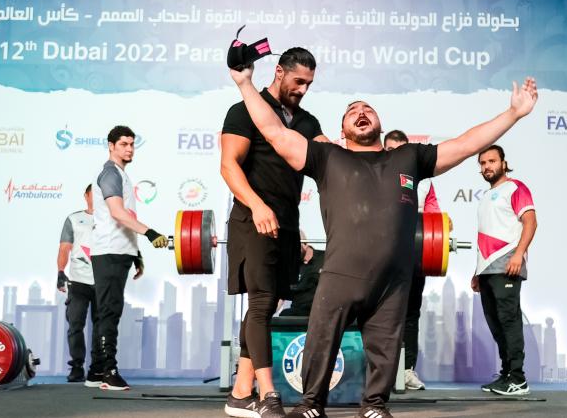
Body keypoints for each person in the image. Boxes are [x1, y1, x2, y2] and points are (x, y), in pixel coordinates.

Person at [228, 63, 537, 418]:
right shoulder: (327, 156)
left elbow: (466, 144)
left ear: (380, 124)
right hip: (341, 277)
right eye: (351, 112)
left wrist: (513, 113)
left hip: (392, 284)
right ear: (341, 132)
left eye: (367, 109)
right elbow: (274, 131)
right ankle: (312, 403)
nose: (360, 113)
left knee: (385, 356)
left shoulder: (408, 157)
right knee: (320, 345)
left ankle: (374, 405)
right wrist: (245, 83)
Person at [221, 48, 329, 418]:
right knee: (261, 304)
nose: (302, 89)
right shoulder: (244, 110)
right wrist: (256, 205)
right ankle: (268, 394)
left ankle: (239, 394)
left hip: (287, 226)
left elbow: (330, 157)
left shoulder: (308, 122)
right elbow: (228, 166)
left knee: (266, 309)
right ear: (279, 71)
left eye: (309, 84)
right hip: (253, 220)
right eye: (298, 81)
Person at [90, 125, 168, 391]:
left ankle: (98, 373)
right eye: (124, 144)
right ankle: (108, 372)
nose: (129, 149)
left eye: (132, 144)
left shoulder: (121, 174)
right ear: (111, 145)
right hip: (109, 252)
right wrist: (150, 233)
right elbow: (118, 214)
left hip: (119, 251)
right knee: (108, 313)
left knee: (107, 313)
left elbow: (125, 220)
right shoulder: (110, 173)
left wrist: (136, 253)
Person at [471, 145, 537, 396]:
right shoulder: (486, 196)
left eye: (491, 161)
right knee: (496, 322)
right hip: (487, 268)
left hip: (508, 263)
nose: (487, 166)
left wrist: (519, 254)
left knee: (509, 321)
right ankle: (507, 374)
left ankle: (518, 378)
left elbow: (531, 222)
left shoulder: (516, 188)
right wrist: (476, 271)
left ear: (503, 162)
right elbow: (486, 234)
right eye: (483, 163)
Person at [383, 130, 443, 391]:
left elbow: (433, 219)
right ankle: (377, 371)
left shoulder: (425, 182)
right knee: (377, 314)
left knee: (409, 314)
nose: (395, 154)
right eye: (390, 150)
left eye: (400, 149)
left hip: (413, 257)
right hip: (380, 257)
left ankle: (406, 370)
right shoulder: (372, 175)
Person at [57, 184, 97, 383]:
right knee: (75, 325)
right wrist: (60, 271)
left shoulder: (112, 219)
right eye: (93, 194)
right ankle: (77, 366)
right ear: (86, 195)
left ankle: (98, 367)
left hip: (103, 281)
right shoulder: (73, 219)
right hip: (78, 282)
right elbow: (65, 248)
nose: (97, 197)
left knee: (102, 326)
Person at [279, 236, 324, 317]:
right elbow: (280, 297)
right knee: (285, 314)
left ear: (305, 244)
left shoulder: (325, 258)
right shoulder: (289, 267)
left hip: (320, 310)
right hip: (297, 312)